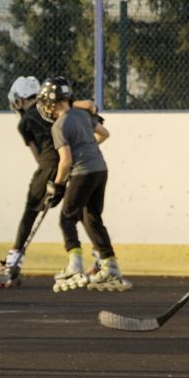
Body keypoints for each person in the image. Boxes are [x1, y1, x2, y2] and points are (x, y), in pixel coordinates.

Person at [41, 78, 130, 293]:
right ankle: (110, 266)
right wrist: (88, 147)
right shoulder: (83, 115)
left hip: (83, 173)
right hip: (100, 170)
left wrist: (57, 185)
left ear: (53, 103)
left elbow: (66, 161)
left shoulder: (59, 126)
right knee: (91, 217)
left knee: (66, 217)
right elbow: (104, 134)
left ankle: (75, 265)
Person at [0, 76, 51, 288]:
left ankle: (12, 263)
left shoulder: (25, 122)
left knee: (31, 211)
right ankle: (104, 260)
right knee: (78, 213)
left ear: (19, 100)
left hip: (48, 166)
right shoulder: (52, 111)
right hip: (72, 164)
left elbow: (39, 157)